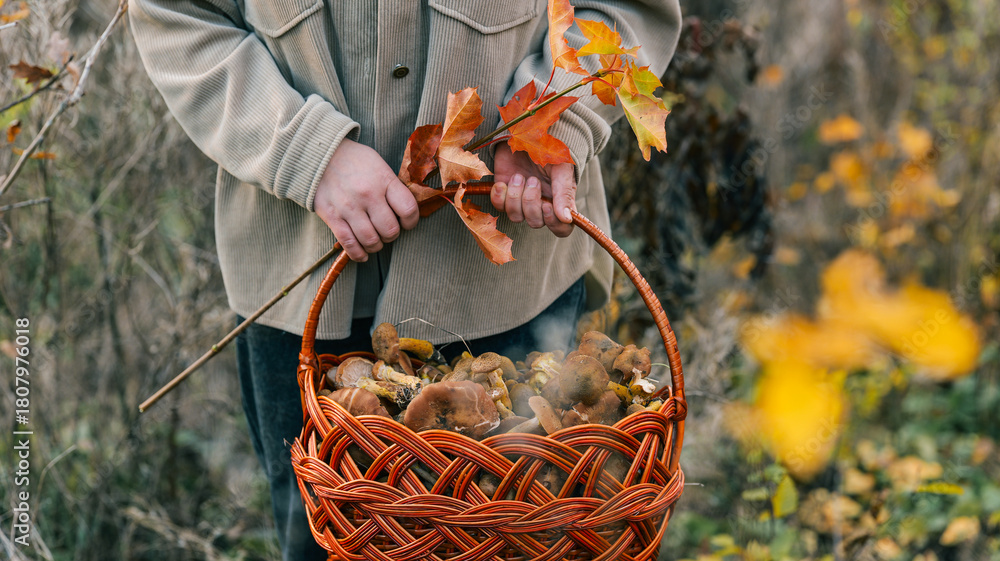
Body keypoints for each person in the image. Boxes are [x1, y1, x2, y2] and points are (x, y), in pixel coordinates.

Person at [129, 1, 681, 559]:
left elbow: (622, 9)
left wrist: (549, 122)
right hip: (303, 296)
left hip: (515, 291)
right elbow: (176, 15)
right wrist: (306, 152)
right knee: (324, 541)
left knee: (530, 533)